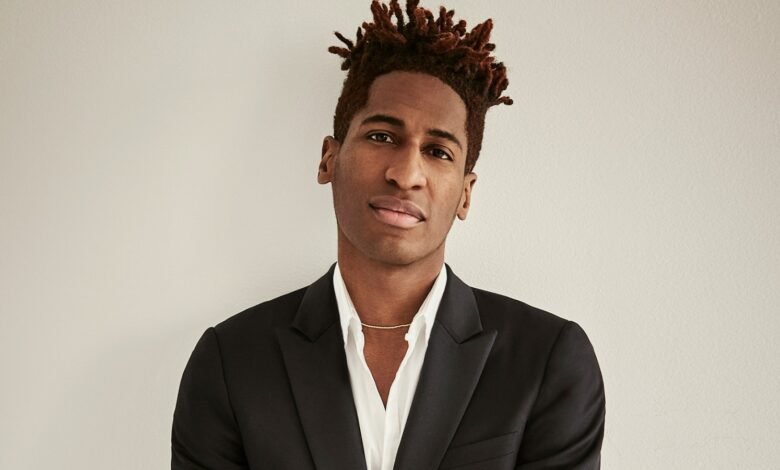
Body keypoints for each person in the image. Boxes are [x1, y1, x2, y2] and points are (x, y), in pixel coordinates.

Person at [171, 1, 605, 469]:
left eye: (438, 152)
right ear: (329, 159)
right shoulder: (231, 361)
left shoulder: (547, 360)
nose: (406, 174)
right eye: (382, 137)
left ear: (465, 194)